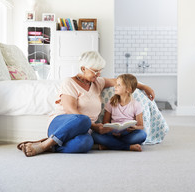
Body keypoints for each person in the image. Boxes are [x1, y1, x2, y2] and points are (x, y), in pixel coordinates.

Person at [17, 51, 154, 157]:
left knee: (86, 143)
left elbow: (121, 81)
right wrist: (93, 126)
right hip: (62, 123)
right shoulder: (69, 82)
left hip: (85, 129)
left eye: (100, 70)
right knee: (83, 119)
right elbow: (70, 110)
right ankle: (46, 144)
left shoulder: (98, 82)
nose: (98, 73)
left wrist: (145, 87)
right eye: (95, 71)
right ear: (83, 68)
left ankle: (50, 146)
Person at [92, 74, 147, 152]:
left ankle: (110, 145)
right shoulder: (111, 102)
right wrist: (111, 129)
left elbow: (141, 126)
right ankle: (127, 147)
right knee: (95, 135)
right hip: (112, 133)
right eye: (116, 84)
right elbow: (105, 122)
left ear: (128, 89)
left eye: (118, 85)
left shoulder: (136, 105)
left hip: (127, 134)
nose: (115, 86)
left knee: (142, 135)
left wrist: (134, 128)